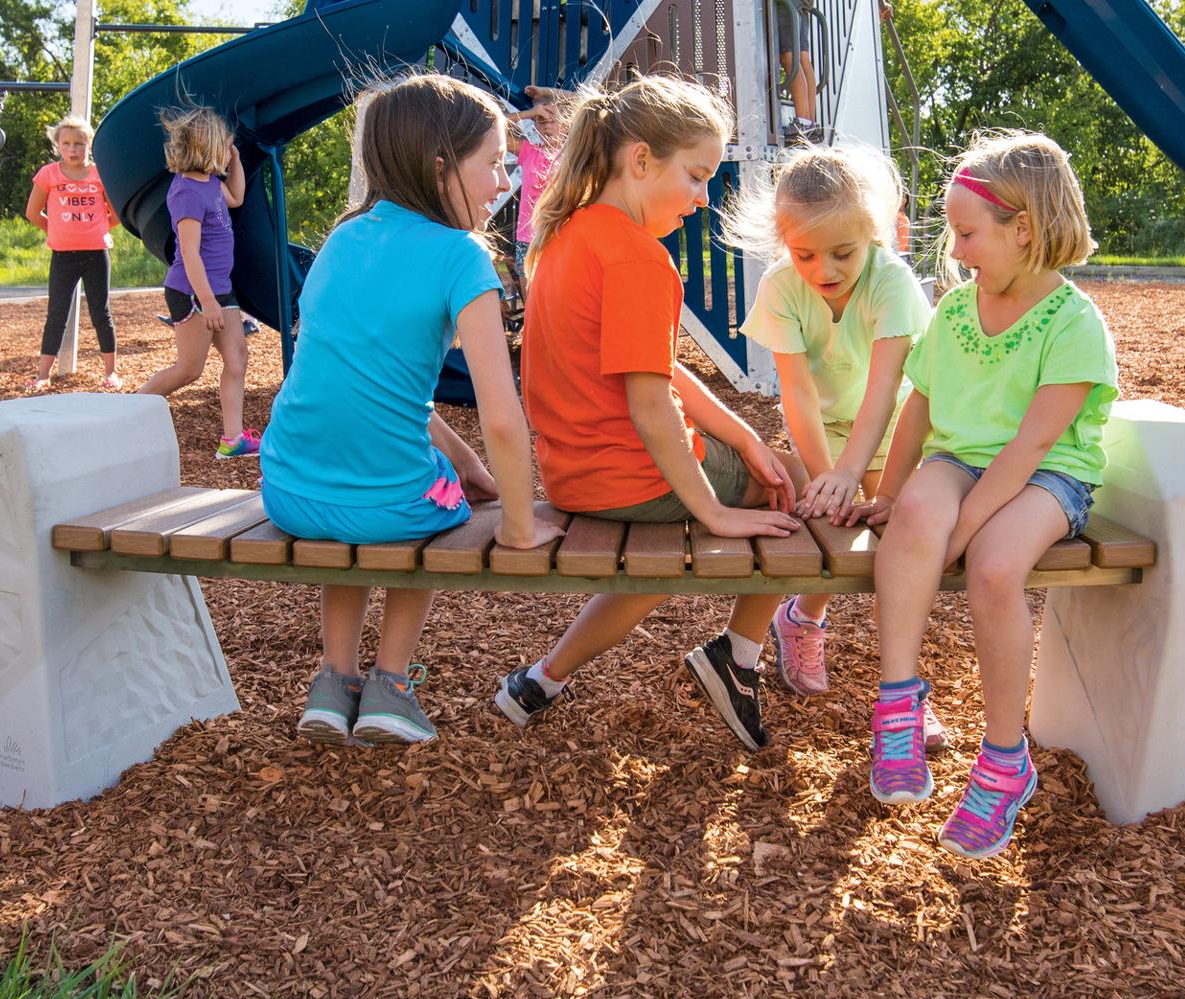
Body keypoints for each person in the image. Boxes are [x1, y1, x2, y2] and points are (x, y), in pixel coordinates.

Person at [495, 74, 805, 752]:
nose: (701, 199)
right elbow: (650, 405)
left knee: (666, 547)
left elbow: (656, 374)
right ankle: (741, 659)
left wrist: (745, 435)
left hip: (576, 478)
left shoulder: (565, 236)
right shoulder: (637, 258)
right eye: (696, 178)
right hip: (632, 477)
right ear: (640, 160)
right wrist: (714, 509)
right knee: (797, 485)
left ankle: (542, 679)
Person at [260, 73, 559, 745]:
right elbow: (505, 416)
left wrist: (465, 461)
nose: (501, 184)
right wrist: (518, 522)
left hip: (287, 488)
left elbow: (375, 386)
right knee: (422, 507)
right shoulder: (461, 257)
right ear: (440, 165)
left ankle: (334, 681)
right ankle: (391, 683)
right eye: (491, 164)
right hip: (392, 503)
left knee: (370, 501)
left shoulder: (342, 240)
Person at [847, 130, 1116, 857]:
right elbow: (922, 405)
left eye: (968, 233)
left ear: (1023, 229)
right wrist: (893, 491)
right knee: (912, 520)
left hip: (1049, 475)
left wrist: (959, 534)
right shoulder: (959, 311)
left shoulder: (1073, 323)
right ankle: (898, 706)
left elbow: (1032, 446)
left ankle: (1004, 761)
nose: (956, 251)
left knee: (996, 567)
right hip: (962, 458)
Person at [722, 146, 936, 724]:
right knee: (833, 527)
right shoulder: (782, 286)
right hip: (824, 426)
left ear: (873, 232)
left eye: (843, 253)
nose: (824, 271)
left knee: (902, 542)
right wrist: (824, 476)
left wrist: (854, 475)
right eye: (805, 254)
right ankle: (805, 618)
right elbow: (797, 394)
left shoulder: (892, 283)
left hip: (891, 422)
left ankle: (905, 685)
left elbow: (888, 389)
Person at [134, 105, 259, 459]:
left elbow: (237, 197)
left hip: (220, 288)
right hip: (192, 291)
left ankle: (232, 440)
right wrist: (207, 301)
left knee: (237, 358)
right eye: (224, 144)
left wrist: (234, 158)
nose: (228, 147)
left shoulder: (212, 183)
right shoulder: (186, 191)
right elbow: (189, 254)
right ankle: (123, 413)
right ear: (207, 146)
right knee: (190, 369)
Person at [25, 116, 119, 389]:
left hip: (96, 253)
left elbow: (116, 214)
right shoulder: (49, 174)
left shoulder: (101, 174)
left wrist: (97, 228)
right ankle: (43, 375)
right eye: (66, 143)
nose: (73, 149)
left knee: (101, 312)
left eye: (79, 143)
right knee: (57, 313)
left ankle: (111, 372)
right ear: (58, 146)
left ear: (89, 145)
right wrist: (56, 230)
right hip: (63, 255)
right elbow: (33, 213)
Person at [508, 85, 569, 283]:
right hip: (528, 239)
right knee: (531, 310)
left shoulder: (574, 154)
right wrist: (529, 112)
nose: (547, 125)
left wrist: (547, 92)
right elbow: (489, 126)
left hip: (561, 237)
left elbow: (598, 105)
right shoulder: (528, 151)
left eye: (554, 119)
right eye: (541, 120)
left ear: (567, 123)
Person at [773, 1, 820, 144]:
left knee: (789, 57)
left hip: (789, 4)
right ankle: (809, 122)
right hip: (802, 5)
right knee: (802, 58)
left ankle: (803, 121)